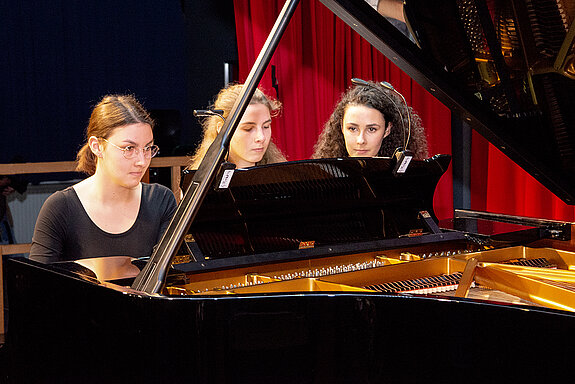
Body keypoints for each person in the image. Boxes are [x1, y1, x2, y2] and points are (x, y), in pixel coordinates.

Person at [29, 94, 177, 263]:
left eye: (148, 148)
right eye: (129, 148)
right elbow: (37, 285)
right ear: (97, 146)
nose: (142, 161)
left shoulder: (161, 200)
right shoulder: (61, 207)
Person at [312, 79, 428, 159]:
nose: (361, 140)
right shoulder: (322, 177)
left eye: (372, 129)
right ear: (341, 127)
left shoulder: (407, 181)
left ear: (387, 130)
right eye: (352, 128)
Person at [188, 83, 286, 170]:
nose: (261, 137)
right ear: (222, 129)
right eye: (248, 129)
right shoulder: (201, 186)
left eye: (266, 126)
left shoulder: (284, 178)